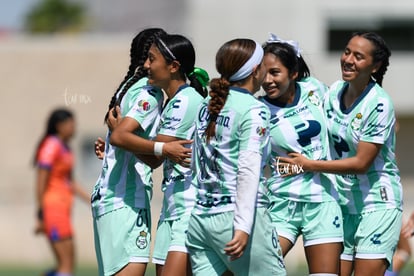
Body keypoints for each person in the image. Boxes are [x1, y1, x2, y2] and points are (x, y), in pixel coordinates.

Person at [279, 31, 403, 276]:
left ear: (375, 65)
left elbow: (361, 164)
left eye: (359, 56)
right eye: (347, 52)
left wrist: (309, 165)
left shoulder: (379, 103)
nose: (348, 59)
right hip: (342, 204)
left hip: (376, 204)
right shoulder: (334, 91)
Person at [109, 33, 209, 276]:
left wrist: (121, 134)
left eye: (152, 59)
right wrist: (128, 142)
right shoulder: (174, 102)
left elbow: (150, 155)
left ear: (173, 66)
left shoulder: (184, 101)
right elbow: (154, 153)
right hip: (171, 209)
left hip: (189, 208)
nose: (146, 66)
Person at [185, 38, 286, 276]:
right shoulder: (254, 108)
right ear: (255, 70)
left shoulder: (207, 105)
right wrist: (242, 227)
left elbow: (195, 163)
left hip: (200, 219)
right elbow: (248, 170)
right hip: (234, 220)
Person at [260, 33, 343, 275]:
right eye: (263, 72)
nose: (267, 80)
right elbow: (261, 163)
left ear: (293, 72)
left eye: (274, 72)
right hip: (281, 201)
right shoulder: (258, 110)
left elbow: (342, 120)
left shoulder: (315, 89)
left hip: (323, 200)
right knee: (258, 269)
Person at [91, 28, 167, 276]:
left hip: (108, 196)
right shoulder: (150, 91)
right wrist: (163, 150)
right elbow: (124, 136)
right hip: (126, 199)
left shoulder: (127, 86)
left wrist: (114, 144)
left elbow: (121, 136)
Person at [33, 108, 90, 276]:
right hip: (53, 209)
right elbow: (41, 180)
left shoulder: (65, 148)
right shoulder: (51, 145)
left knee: (66, 266)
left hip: (63, 209)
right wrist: (40, 213)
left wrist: (91, 200)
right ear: (59, 126)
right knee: (66, 266)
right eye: (71, 124)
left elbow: (70, 181)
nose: (74, 128)